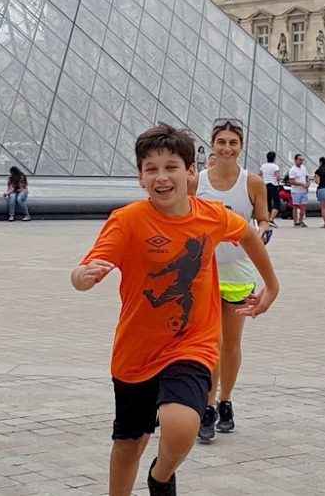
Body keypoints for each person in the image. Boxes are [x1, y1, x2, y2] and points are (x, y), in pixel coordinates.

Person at [72, 123, 279, 496]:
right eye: (151, 169)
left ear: (190, 172)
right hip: (136, 351)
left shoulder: (211, 215)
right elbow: (87, 267)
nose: (161, 177)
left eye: (171, 167)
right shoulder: (127, 220)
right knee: (129, 443)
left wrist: (272, 284)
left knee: (182, 423)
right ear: (140, 177)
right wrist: (82, 276)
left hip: (192, 344)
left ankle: (161, 475)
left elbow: (247, 233)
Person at [193, 118, 273, 445]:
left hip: (239, 273)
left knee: (231, 344)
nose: (227, 148)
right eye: (221, 141)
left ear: (241, 146)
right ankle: (209, 407)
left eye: (233, 142)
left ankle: (226, 400)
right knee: (210, 344)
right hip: (203, 274)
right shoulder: (195, 182)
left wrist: (265, 230)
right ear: (212, 144)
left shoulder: (252, 183)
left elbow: (264, 218)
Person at [258, 151, 282, 227]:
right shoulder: (275, 166)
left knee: (267, 203)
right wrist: (278, 180)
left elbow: (259, 175)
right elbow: (278, 177)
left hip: (265, 186)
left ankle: (267, 220)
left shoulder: (263, 166)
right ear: (274, 158)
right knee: (277, 204)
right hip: (273, 185)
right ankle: (271, 220)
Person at [288, 154, 310, 227]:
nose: (301, 161)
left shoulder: (304, 168)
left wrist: (307, 183)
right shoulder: (292, 170)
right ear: (295, 160)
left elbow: (306, 176)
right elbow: (291, 181)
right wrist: (301, 184)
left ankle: (300, 220)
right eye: (300, 160)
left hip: (303, 191)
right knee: (295, 206)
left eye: (302, 160)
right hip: (296, 191)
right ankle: (295, 221)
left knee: (303, 206)